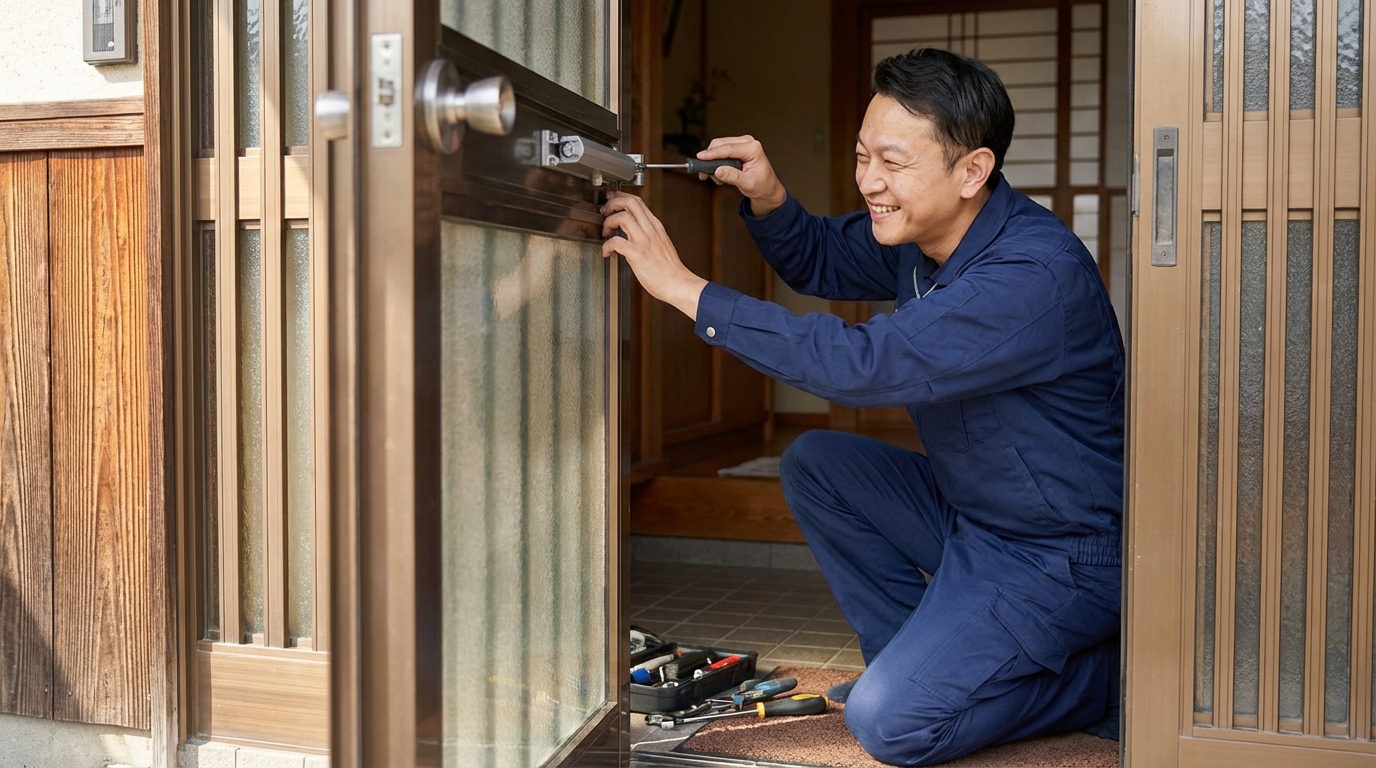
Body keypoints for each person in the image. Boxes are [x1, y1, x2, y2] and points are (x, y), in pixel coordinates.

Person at [602, 47, 1123, 766]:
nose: (870, 182)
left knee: (891, 724)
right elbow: (820, 257)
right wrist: (768, 196)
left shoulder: (1031, 274)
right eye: (860, 156)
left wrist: (683, 287)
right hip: (975, 521)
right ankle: (919, 663)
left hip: (1059, 554)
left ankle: (1095, 683)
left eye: (893, 162)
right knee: (818, 461)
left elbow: (864, 364)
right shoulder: (924, 237)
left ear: (971, 170)